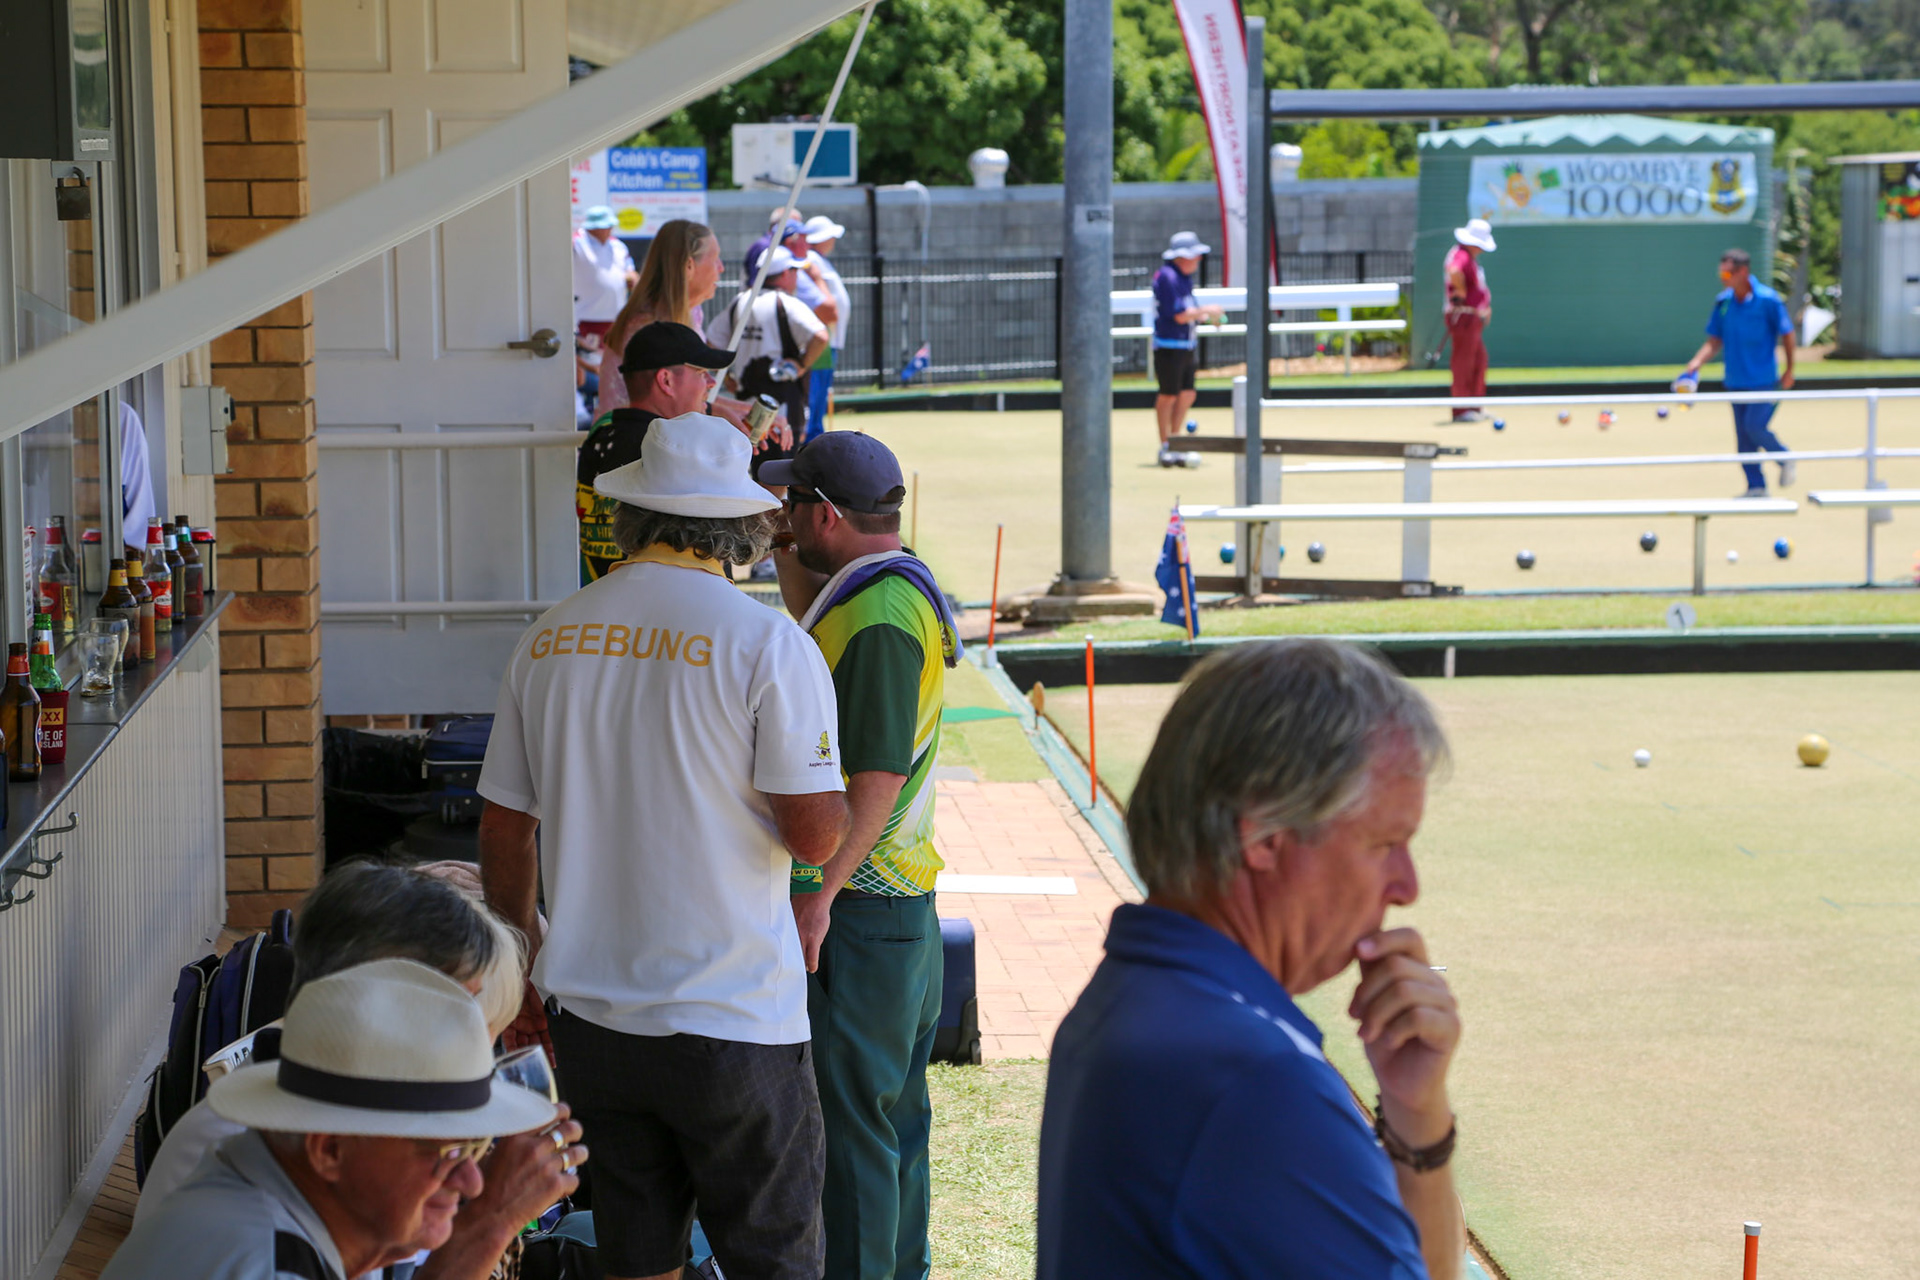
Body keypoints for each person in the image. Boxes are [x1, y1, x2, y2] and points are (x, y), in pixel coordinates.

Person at [480, 412, 851, 1280]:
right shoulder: (768, 643)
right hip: (735, 1017)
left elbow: (504, 828)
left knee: (637, 1261)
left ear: (632, 515)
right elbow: (814, 836)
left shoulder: (551, 636)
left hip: (596, 1021)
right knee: (776, 1261)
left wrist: (525, 957)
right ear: (745, 525)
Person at [1038, 638, 1465, 1280]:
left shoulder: (1138, 1000)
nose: (1407, 887)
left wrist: (1417, 1108)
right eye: (1385, 845)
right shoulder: (1252, 1081)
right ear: (1264, 834)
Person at [134, 862, 584, 1280]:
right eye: (448, 1150)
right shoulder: (263, 1247)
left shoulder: (298, 1167)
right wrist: (489, 1223)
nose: (472, 1178)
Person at [761, 433, 963, 1280]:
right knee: (891, 1129)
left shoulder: (877, 619)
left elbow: (876, 778)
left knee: (852, 1144)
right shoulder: (880, 586)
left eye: (791, 504)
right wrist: (783, 538)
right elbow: (811, 599)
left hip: (861, 917)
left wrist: (822, 893)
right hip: (896, 917)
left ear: (827, 515)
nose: (780, 516)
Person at [576, 321, 739, 584]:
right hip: (667, 601)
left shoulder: (603, 431)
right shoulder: (671, 449)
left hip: (602, 595)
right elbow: (720, 545)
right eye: (701, 373)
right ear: (666, 381)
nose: (710, 383)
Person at [1677, 246, 1797, 497]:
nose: (1723, 279)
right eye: (1721, 274)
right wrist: (1696, 362)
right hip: (1735, 380)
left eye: (1727, 274)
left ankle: (1785, 457)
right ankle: (1756, 487)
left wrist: (1789, 370)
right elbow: (1714, 340)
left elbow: (1787, 334)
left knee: (1755, 427)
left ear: (1743, 272)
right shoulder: (1724, 302)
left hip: (1764, 380)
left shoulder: (1769, 300)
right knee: (1743, 439)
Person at [596, 220, 724, 418]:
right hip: (638, 433)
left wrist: (740, 411)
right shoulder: (648, 327)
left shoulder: (692, 312)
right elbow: (670, 405)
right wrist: (726, 413)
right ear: (689, 266)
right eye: (715, 259)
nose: (721, 268)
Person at [708, 246, 829, 443]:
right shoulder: (789, 303)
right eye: (795, 271)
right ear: (785, 273)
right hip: (782, 417)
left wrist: (727, 376)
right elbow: (821, 336)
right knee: (782, 462)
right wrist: (801, 365)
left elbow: (711, 343)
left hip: (743, 416)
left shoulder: (740, 301)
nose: (797, 277)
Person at [1151, 232, 1224, 467]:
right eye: (1195, 255)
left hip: (1186, 345)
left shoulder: (1183, 278)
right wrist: (1208, 310)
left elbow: (1189, 312)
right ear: (1182, 257)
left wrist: (1207, 316)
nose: (1199, 259)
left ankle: (1176, 441)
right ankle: (1166, 445)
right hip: (1168, 346)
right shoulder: (1167, 277)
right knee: (1168, 395)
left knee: (1187, 393)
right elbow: (1179, 315)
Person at [802, 216, 853, 440]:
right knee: (816, 391)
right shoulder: (811, 259)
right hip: (822, 337)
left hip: (828, 338)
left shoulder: (818, 259)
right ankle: (811, 436)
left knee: (821, 390)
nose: (833, 240)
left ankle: (815, 434)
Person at [1444, 218, 1495, 422]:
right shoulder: (1461, 255)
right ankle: (1461, 409)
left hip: (1471, 316)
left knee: (1479, 360)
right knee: (1464, 362)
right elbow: (1454, 271)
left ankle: (1474, 406)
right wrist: (1460, 290)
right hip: (1463, 316)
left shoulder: (1467, 256)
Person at [572, 206, 637, 342]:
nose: (609, 229)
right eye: (606, 226)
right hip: (586, 317)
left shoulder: (618, 245)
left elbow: (631, 271)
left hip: (616, 317)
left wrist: (632, 279)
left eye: (610, 226)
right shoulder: (577, 242)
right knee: (590, 354)